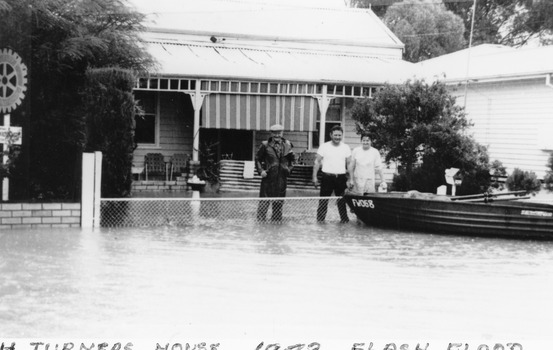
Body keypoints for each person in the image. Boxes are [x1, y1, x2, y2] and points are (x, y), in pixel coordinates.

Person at [255, 124, 295, 221]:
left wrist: (288, 169)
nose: (277, 135)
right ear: (271, 133)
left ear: (282, 133)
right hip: (268, 179)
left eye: (279, 133)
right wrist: (261, 171)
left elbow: (292, 161)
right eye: (275, 133)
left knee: (278, 206)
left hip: (281, 179)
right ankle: (261, 229)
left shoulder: (288, 145)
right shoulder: (265, 145)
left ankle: (276, 229)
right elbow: (257, 159)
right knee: (263, 205)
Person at [312, 125, 351, 223]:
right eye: (335, 135)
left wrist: (350, 179)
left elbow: (349, 164)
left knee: (342, 201)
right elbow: (317, 162)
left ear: (342, 135)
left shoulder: (346, 147)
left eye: (339, 135)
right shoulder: (324, 146)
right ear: (330, 135)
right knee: (323, 201)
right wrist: (314, 177)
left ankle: (344, 221)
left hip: (341, 178)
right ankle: (320, 221)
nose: (337, 137)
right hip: (327, 177)